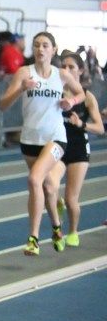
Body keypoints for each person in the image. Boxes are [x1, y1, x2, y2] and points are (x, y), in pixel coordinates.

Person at [0, 32, 84, 256]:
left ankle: (33, 238)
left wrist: (71, 101)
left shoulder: (62, 75)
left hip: (55, 137)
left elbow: (81, 93)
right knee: (46, 187)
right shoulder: (23, 73)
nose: (40, 49)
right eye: (36, 45)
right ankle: (56, 227)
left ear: (53, 50)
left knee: (34, 179)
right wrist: (21, 88)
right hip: (29, 140)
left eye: (45, 45)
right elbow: (3, 105)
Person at [59, 51, 103, 247]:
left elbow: (100, 128)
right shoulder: (55, 92)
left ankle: (73, 232)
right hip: (57, 146)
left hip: (78, 149)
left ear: (80, 71)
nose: (66, 71)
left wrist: (81, 125)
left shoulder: (87, 97)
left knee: (70, 199)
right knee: (46, 184)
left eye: (71, 67)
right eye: (64, 67)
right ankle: (54, 202)